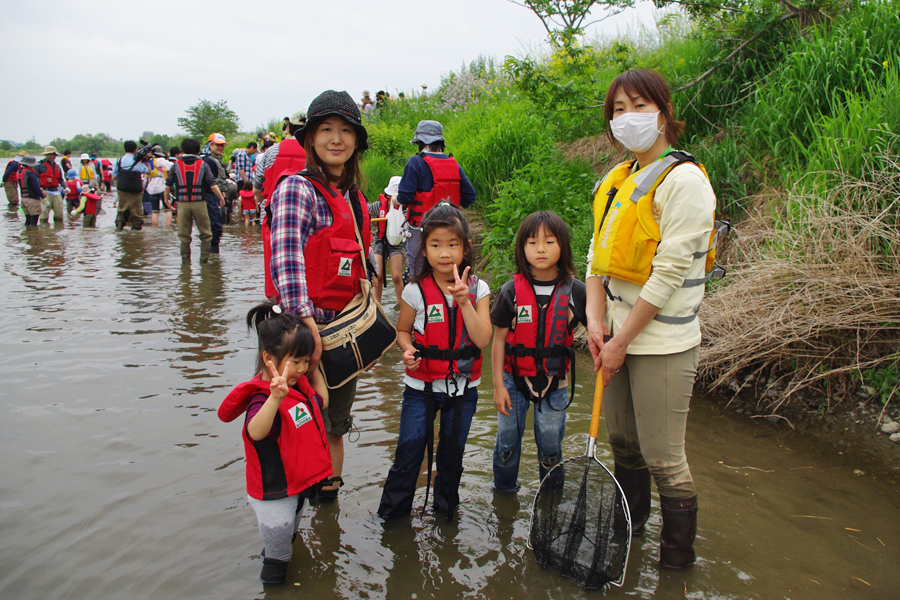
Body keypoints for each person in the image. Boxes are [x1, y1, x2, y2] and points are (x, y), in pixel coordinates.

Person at [586, 69, 717, 569]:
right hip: (614, 335)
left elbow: (665, 277)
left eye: (637, 106)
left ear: (663, 112)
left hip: (661, 343)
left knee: (664, 457)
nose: (626, 118)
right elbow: (599, 260)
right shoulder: (616, 181)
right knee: (621, 440)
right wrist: (595, 324)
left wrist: (621, 342)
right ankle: (630, 534)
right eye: (617, 110)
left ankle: (675, 565)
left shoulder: (685, 182)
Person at [269, 90, 372, 500]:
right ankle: (286, 515)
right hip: (299, 334)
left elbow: (365, 267)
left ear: (355, 143)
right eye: (326, 129)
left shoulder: (355, 197)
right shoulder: (297, 189)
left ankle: (328, 509)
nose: (336, 138)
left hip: (342, 339)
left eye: (346, 131)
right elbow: (286, 258)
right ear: (309, 138)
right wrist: (307, 330)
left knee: (334, 426)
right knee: (291, 421)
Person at [377, 203, 491, 520]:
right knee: (410, 451)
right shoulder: (414, 291)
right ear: (423, 250)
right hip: (420, 386)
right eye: (436, 245)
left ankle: (445, 515)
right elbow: (402, 331)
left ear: (465, 248)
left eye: (452, 244)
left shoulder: (479, 289)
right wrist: (407, 349)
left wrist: (464, 302)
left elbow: (482, 339)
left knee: (452, 456)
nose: (444, 253)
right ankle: (392, 517)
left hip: (462, 389)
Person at [217, 303, 332, 585]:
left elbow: (322, 401)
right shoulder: (263, 398)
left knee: (288, 539)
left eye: (306, 361)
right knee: (277, 560)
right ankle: (274, 587)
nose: (302, 368)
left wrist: (314, 369)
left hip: (295, 488)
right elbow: (255, 432)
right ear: (269, 358)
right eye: (297, 361)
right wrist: (275, 399)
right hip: (274, 494)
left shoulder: (298, 386)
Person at [490, 211, 586, 492]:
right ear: (522, 248)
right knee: (507, 444)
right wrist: (497, 385)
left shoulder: (576, 292)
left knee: (550, 447)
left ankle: (551, 500)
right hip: (512, 380)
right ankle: (504, 497)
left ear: (563, 246)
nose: (541, 249)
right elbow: (498, 341)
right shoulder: (510, 291)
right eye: (532, 242)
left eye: (549, 242)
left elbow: (598, 330)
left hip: (555, 382)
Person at [397, 120, 476, 277]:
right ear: (441, 142)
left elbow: (405, 197)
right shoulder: (453, 164)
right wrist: (450, 210)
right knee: (450, 275)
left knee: (418, 276)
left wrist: (395, 199)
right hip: (452, 229)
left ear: (419, 142)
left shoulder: (415, 162)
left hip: (421, 229)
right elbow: (470, 196)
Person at [165, 138, 224, 264]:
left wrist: (166, 200)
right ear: (198, 150)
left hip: (182, 204)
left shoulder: (176, 165)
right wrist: (221, 198)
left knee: (184, 236)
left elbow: (168, 184)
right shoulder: (203, 165)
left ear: (183, 150)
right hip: (200, 203)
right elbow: (212, 184)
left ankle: (186, 264)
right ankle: (204, 262)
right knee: (206, 234)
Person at [368, 175, 405, 304]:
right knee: (378, 275)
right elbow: (363, 210)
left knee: (396, 276)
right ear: (388, 195)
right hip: (380, 241)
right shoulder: (378, 206)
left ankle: (401, 304)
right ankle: (377, 304)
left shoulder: (404, 209)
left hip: (396, 243)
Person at [203, 133, 234, 251]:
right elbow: (210, 183)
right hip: (211, 197)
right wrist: (220, 197)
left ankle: (213, 256)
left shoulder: (215, 160)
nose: (220, 148)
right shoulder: (209, 161)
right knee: (215, 228)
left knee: (216, 227)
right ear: (210, 145)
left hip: (216, 196)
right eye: (218, 145)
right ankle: (212, 256)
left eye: (222, 146)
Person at [113, 140, 149, 231]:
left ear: (124, 149)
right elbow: (147, 171)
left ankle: (120, 226)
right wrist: (147, 161)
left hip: (122, 188)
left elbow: (114, 176)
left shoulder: (119, 161)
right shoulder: (137, 162)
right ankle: (136, 230)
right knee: (136, 211)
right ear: (135, 149)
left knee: (122, 208)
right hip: (135, 189)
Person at [35, 146, 66, 223]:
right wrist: (39, 189)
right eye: (50, 154)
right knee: (44, 216)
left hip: (56, 191)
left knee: (59, 214)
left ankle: (58, 230)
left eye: (54, 155)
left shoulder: (57, 166)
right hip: (45, 192)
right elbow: (34, 179)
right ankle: (44, 231)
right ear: (46, 155)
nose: (52, 156)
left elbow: (61, 179)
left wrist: (66, 187)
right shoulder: (39, 166)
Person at [144, 147, 173, 227]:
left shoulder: (148, 162)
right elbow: (172, 166)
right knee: (168, 209)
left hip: (151, 188)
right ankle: (168, 228)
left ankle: (155, 228)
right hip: (162, 187)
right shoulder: (160, 160)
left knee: (155, 211)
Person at [18, 156, 44, 226]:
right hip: (32, 200)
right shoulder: (31, 174)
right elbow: (36, 187)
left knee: (28, 221)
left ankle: (27, 234)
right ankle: (33, 235)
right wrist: (43, 197)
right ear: (30, 165)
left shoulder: (20, 171)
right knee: (34, 223)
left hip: (23, 199)